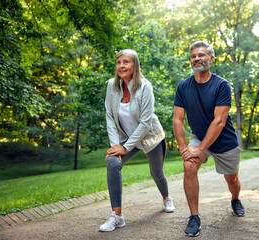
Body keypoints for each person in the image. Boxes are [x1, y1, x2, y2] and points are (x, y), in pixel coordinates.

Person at [173, 41, 244, 237]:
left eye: (201, 55)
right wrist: (184, 148)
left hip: (224, 141)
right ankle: (194, 216)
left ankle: (235, 199)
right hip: (199, 137)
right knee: (189, 165)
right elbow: (178, 120)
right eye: (193, 56)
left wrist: (200, 147)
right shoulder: (183, 86)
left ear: (211, 59)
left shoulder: (221, 85)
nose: (197, 59)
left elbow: (219, 121)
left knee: (232, 180)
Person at [99, 49, 175, 232]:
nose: (121, 66)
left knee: (156, 173)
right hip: (126, 139)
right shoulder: (112, 86)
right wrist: (115, 146)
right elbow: (109, 116)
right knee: (112, 162)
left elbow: (146, 123)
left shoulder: (145, 87)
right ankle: (117, 216)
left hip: (150, 137)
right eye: (118, 62)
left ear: (135, 65)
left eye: (126, 62)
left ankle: (166, 198)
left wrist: (125, 147)